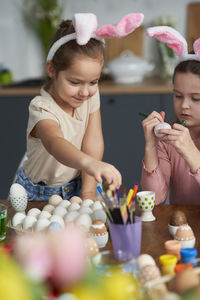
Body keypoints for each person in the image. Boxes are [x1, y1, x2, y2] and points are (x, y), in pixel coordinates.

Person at [15, 13, 144, 201]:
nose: (85, 92)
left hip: (78, 185)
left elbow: (93, 142)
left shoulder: (89, 96)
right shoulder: (41, 107)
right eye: (75, 82)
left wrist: (88, 192)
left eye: (93, 81)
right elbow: (55, 143)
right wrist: (90, 164)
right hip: (39, 194)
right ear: (51, 69)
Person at [141, 25, 200, 205]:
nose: (184, 105)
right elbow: (155, 200)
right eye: (178, 96)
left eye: (196, 98)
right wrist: (151, 146)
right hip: (181, 229)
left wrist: (191, 153)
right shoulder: (168, 141)